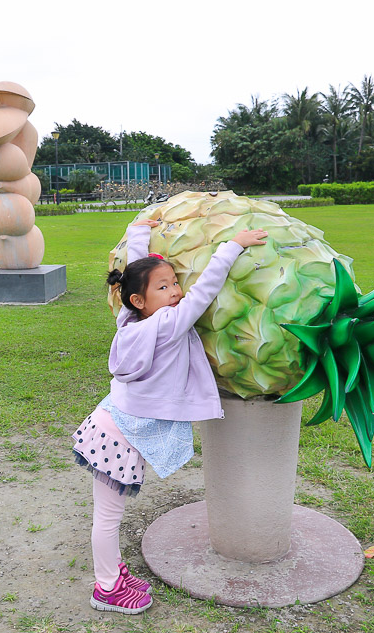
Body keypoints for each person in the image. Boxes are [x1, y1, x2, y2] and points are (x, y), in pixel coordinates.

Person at [73, 218, 269, 614]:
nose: (177, 291)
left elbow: (138, 270)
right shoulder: (169, 325)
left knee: (108, 516)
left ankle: (112, 573)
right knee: (107, 519)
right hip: (120, 435)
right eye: (165, 288)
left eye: (175, 282)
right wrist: (233, 245)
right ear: (139, 300)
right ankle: (106, 588)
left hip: (112, 424)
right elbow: (205, 291)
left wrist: (138, 230)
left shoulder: (130, 319)